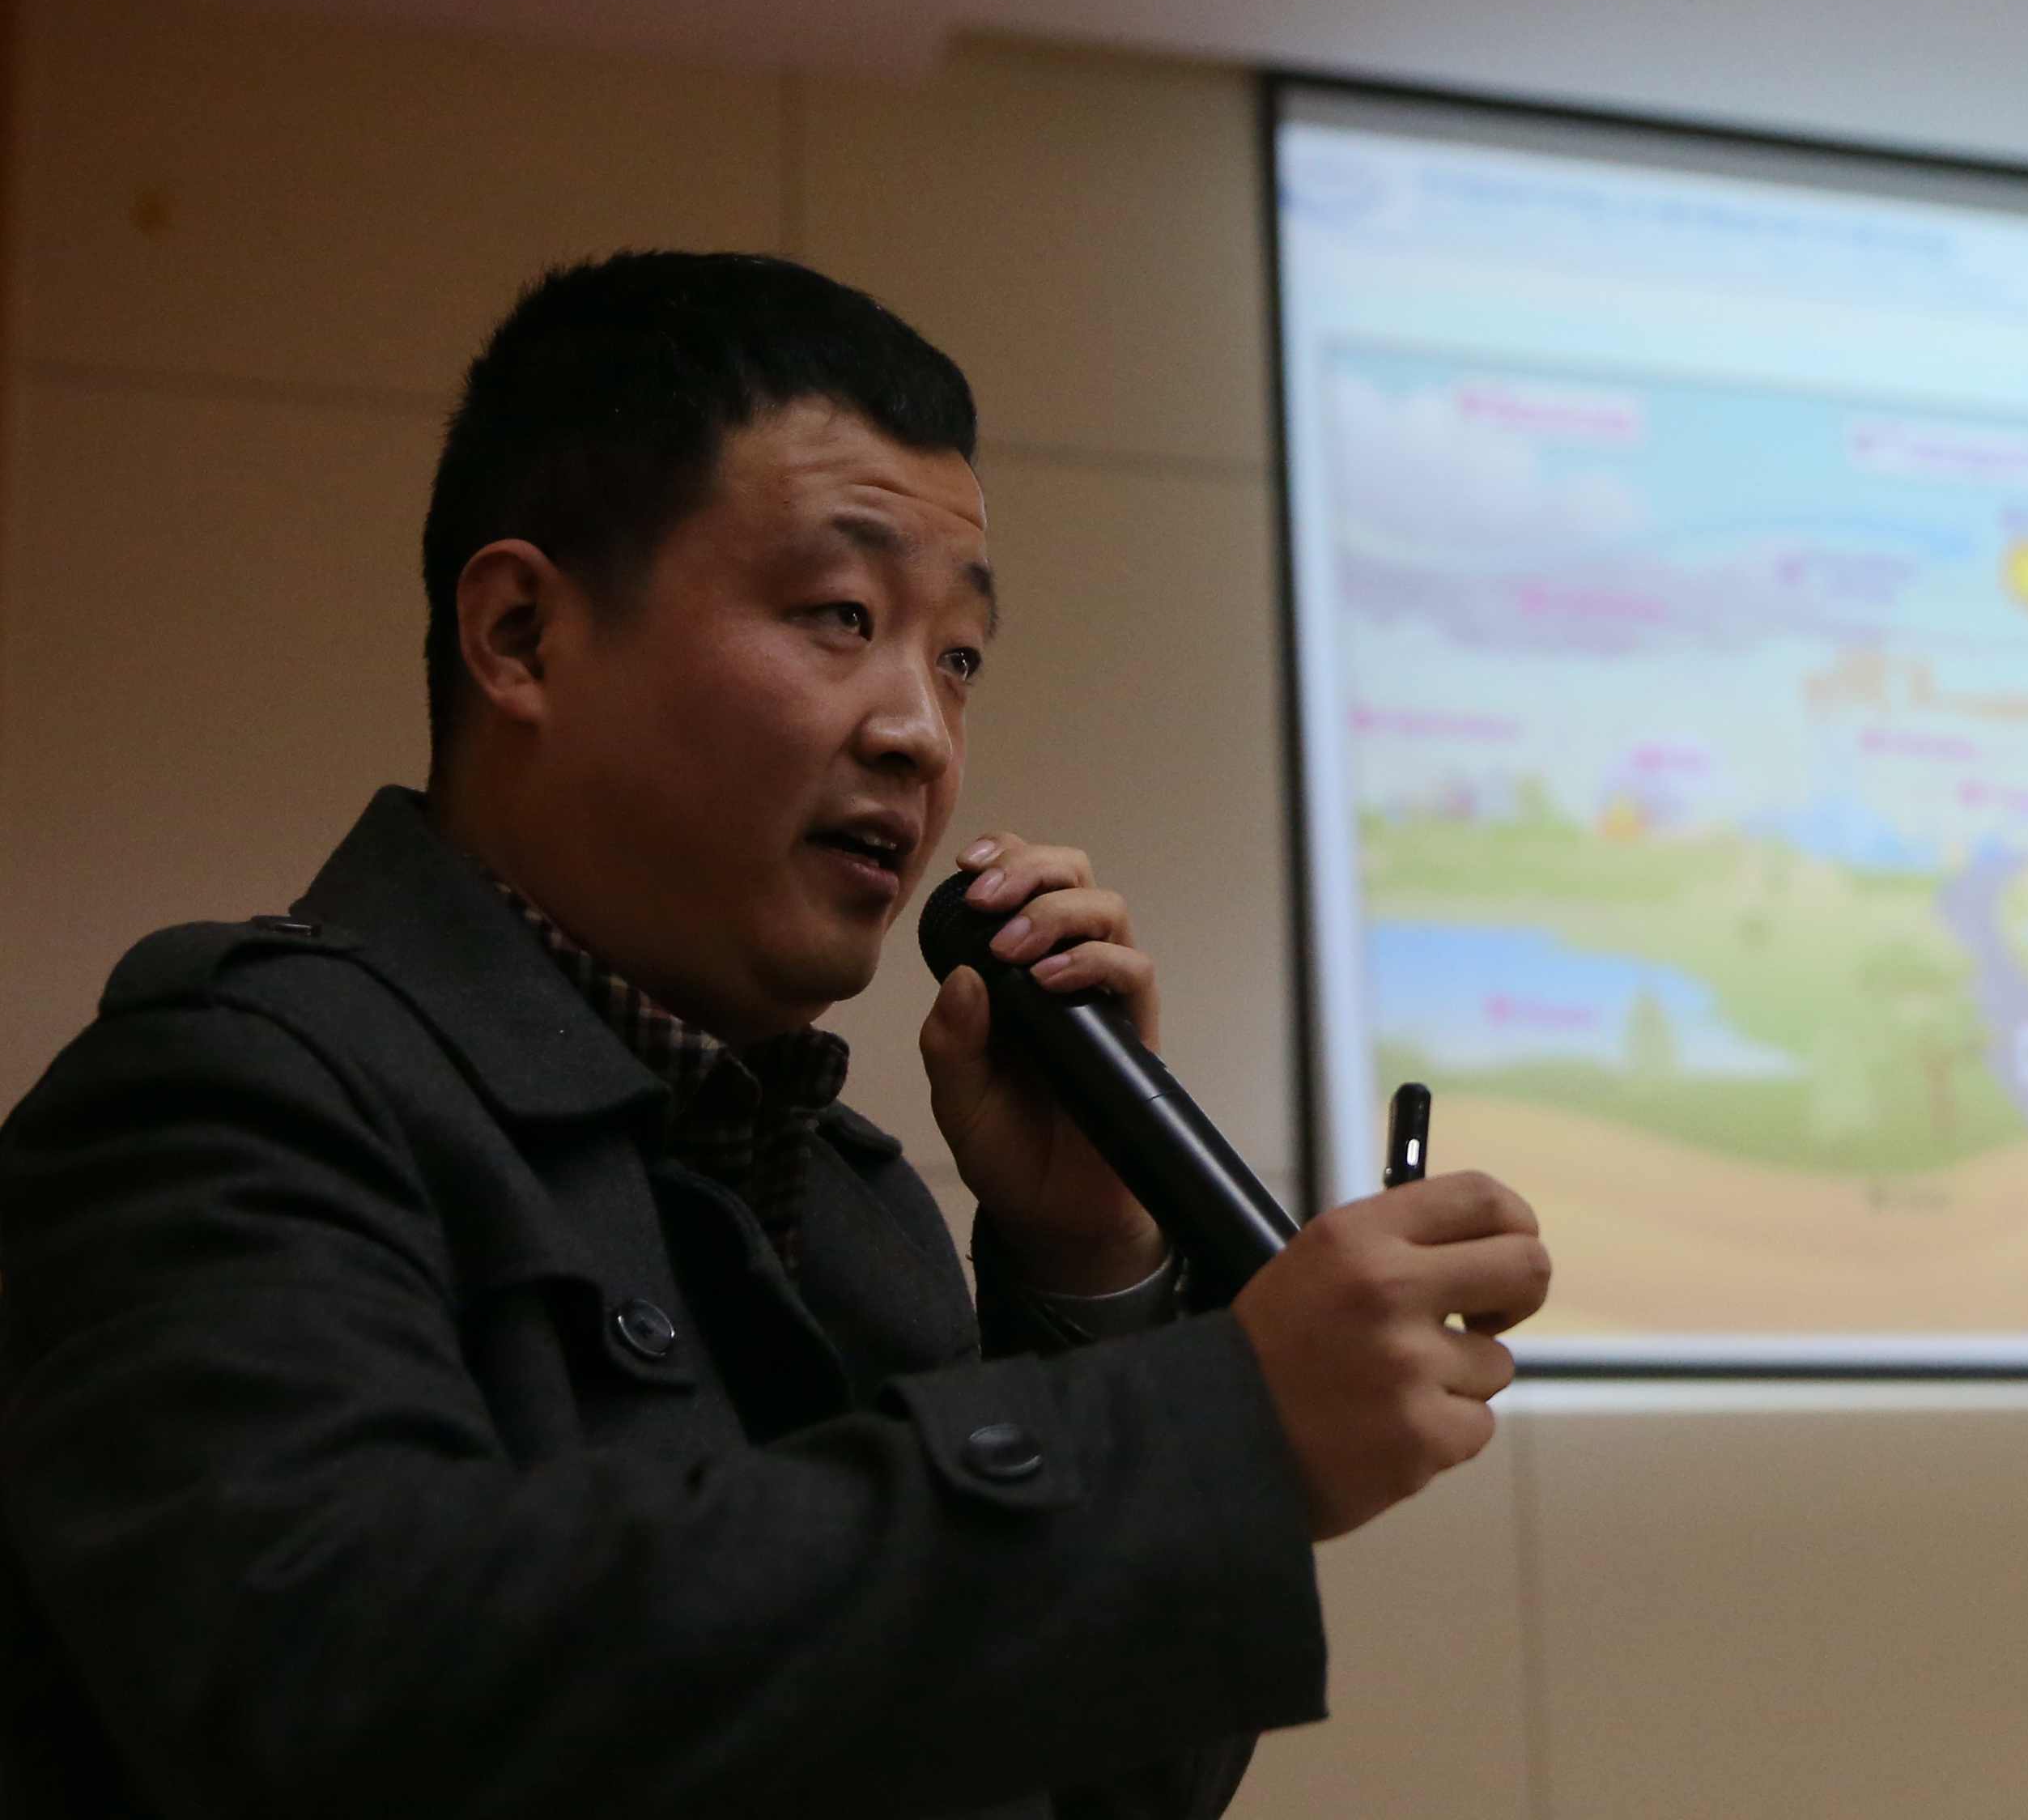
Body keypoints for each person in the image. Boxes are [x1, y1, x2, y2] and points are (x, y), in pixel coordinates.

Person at [0, 251, 1551, 1818]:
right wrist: (1205, 1433)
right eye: (839, 616)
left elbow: (1096, 1796)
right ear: (522, 635)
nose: (920, 731)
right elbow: (350, 1697)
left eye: (958, 657)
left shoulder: (860, 1205)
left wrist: (1089, 1268)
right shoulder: (222, 1095)